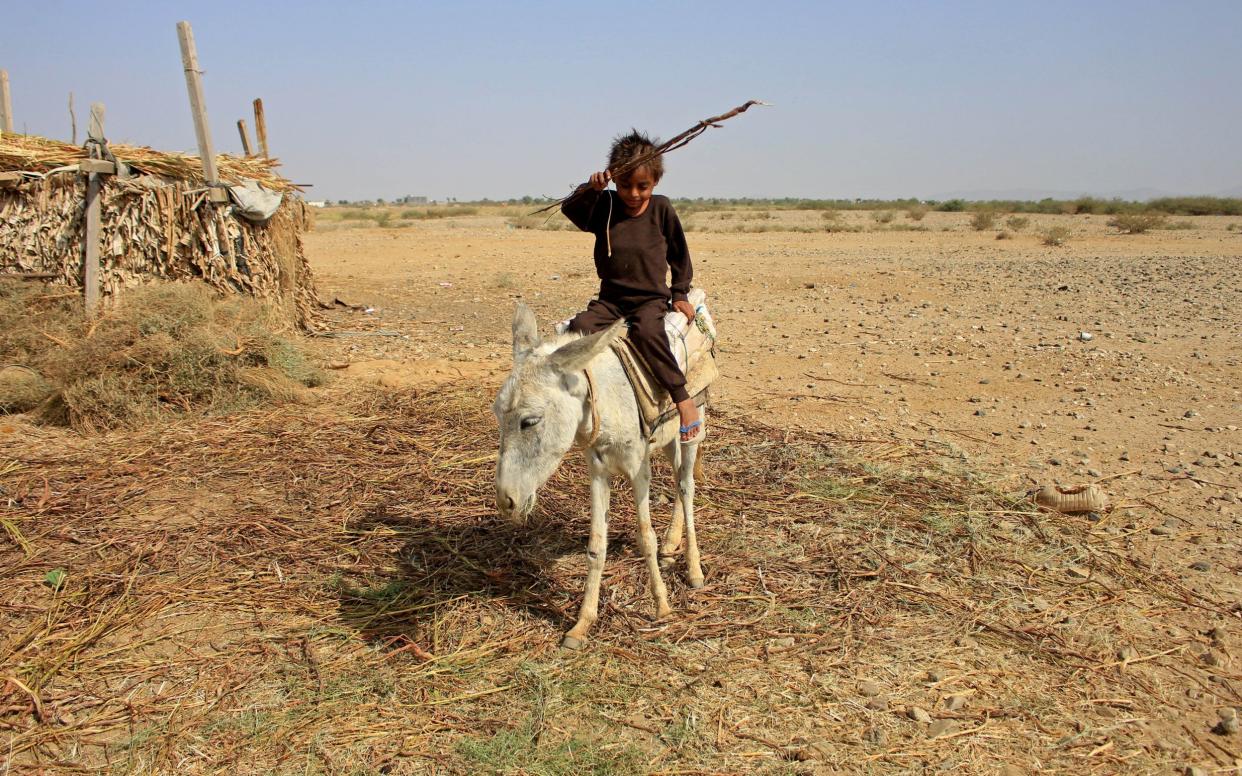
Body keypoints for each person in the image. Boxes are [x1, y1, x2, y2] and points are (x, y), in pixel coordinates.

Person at [562, 130, 701, 443]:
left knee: (648, 334)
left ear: (656, 182)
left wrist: (679, 293)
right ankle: (573, 400)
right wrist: (590, 189)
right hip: (611, 298)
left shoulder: (662, 209)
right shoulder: (605, 205)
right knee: (578, 328)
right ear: (613, 180)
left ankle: (683, 399)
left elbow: (679, 253)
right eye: (625, 185)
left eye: (643, 186)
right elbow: (572, 211)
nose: (634, 194)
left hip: (649, 300)